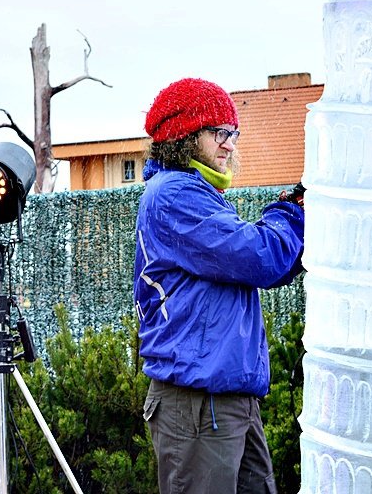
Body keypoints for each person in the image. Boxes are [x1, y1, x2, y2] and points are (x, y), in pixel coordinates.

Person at [134, 77, 306, 494]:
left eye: (233, 133)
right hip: (196, 404)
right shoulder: (174, 194)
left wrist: (298, 221)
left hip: (227, 400)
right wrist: (290, 213)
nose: (229, 144)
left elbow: (265, 267)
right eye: (218, 133)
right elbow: (258, 256)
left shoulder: (200, 194)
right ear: (183, 137)